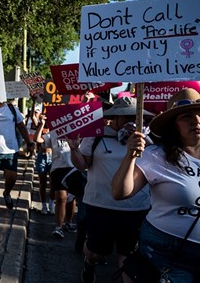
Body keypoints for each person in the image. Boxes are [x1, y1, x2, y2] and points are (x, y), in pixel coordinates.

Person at [112, 88, 200, 281]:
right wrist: (130, 156)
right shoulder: (156, 156)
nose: (197, 120)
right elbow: (119, 192)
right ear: (173, 125)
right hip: (168, 253)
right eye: (187, 116)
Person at [68, 96, 153, 283]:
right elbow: (83, 165)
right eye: (127, 118)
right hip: (100, 205)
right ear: (115, 118)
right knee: (96, 252)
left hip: (135, 207)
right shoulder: (97, 135)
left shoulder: (147, 140)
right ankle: (89, 264)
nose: (132, 122)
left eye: (135, 117)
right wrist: (74, 150)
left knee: (127, 255)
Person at [34, 114, 76, 238]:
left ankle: (69, 221)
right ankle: (59, 227)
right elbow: (38, 139)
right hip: (58, 168)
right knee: (61, 198)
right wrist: (41, 124)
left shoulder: (76, 131)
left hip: (73, 168)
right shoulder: (53, 134)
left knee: (71, 198)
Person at [28, 105, 53, 215]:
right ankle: (43, 205)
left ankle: (51, 204)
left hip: (52, 156)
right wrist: (33, 101)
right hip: (41, 156)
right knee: (42, 183)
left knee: (53, 184)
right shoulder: (40, 125)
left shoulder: (55, 127)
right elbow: (32, 116)